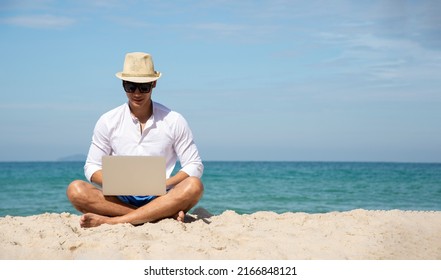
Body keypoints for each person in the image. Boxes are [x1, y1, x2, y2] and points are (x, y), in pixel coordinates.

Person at [66, 52, 204, 228]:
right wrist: (118, 182)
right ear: (123, 84)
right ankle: (157, 215)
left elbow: (194, 165)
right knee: (76, 190)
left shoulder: (174, 119)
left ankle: (114, 220)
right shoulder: (108, 120)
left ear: (154, 84)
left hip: (162, 194)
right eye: (131, 86)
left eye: (143, 87)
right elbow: (91, 167)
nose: (137, 93)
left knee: (194, 185)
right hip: (120, 195)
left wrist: (164, 184)